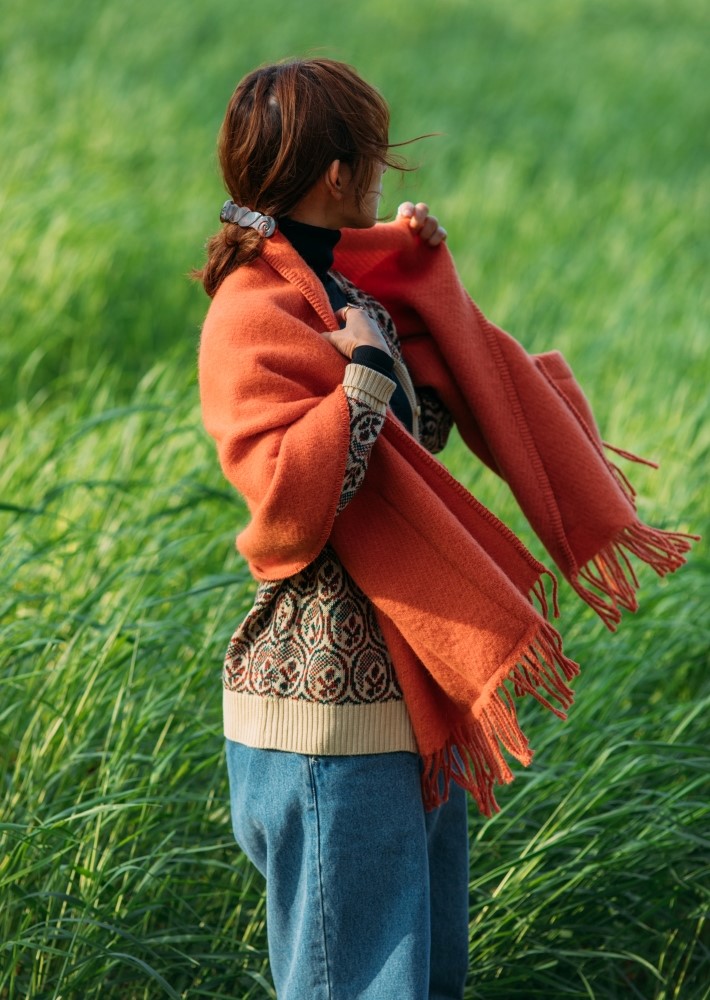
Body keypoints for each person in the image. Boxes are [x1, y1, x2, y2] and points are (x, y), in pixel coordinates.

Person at [196, 58, 693, 1000]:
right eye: (376, 157)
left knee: (422, 981)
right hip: (321, 714)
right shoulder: (251, 316)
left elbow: (446, 396)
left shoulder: (352, 297)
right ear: (337, 172)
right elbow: (289, 505)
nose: (387, 173)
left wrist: (421, 274)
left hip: (411, 702)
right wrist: (366, 380)